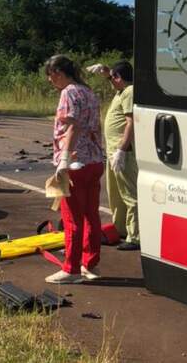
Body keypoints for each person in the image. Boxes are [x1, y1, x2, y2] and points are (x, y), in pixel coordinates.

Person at [44, 54, 105, 284]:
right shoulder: (88, 91)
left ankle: (71, 269)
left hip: (76, 162)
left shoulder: (68, 93)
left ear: (58, 72)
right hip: (94, 160)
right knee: (91, 214)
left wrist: (64, 160)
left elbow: (72, 127)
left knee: (72, 218)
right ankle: (90, 263)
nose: (51, 81)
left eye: (51, 76)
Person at [98, 60, 140, 251]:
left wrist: (123, 149)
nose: (111, 81)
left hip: (122, 152)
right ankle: (121, 228)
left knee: (129, 194)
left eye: (113, 77)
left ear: (119, 77)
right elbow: (115, 82)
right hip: (113, 151)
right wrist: (107, 73)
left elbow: (130, 122)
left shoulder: (129, 92)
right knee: (115, 193)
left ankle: (135, 235)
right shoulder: (122, 91)